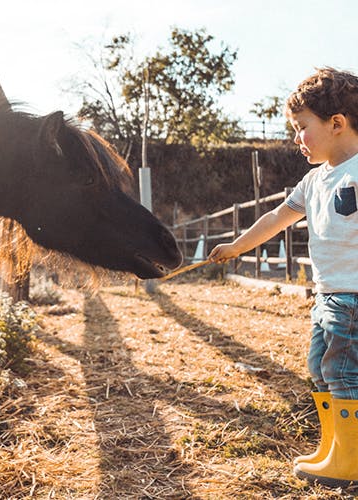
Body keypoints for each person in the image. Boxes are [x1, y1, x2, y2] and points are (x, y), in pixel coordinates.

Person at [209, 67, 358, 488]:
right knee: (320, 368)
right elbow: (278, 216)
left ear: (336, 123)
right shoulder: (313, 181)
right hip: (327, 297)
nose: (297, 138)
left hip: (354, 296)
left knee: (344, 373)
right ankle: (335, 447)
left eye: (301, 127)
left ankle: (351, 460)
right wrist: (238, 246)